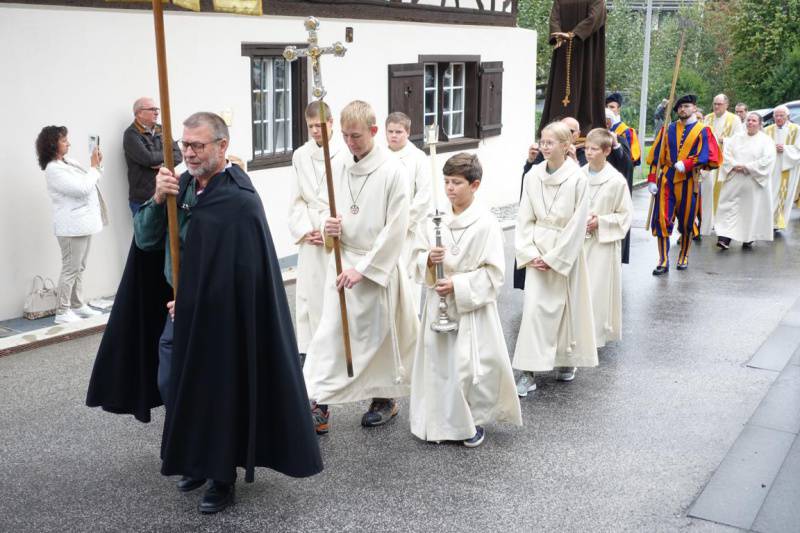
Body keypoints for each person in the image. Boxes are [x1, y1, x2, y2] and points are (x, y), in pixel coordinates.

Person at [87, 112, 323, 514]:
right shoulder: (178, 187)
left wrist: (195, 299)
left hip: (221, 317)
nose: (190, 153)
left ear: (222, 146)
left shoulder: (239, 198)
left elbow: (240, 270)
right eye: (185, 145)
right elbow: (146, 240)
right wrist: (158, 199)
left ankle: (221, 477)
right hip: (179, 312)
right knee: (173, 382)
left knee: (218, 391)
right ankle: (195, 458)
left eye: (198, 145)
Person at [303, 100, 419, 433]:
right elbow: (322, 205)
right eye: (345, 136)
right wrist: (327, 225)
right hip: (342, 263)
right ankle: (318, 403)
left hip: (374, 268)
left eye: (356, 136)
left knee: (377, 340)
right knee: (330, 334)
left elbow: (396, 227)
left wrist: (364, 268)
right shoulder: (338, 164)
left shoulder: (393, 171)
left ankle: (384, 399)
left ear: (373, 131)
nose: (349, 142)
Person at [409, 153, 521, 447]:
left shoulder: (486, 223)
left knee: (468, 367)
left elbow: (494, 274)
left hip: (470, 307)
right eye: (446, 182)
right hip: (437, 304)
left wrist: (457, 284)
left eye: (456, 182)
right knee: (438, 366)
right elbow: (415, 256)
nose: (449, 188)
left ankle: (470, 423)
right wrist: (428, 260)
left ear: (475, 185)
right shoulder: (434, 221)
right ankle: (436, 423)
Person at [513, 121, 597, 398]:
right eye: (542, 141)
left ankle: (565, 359)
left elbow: (578, 222)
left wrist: (556, 257)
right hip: (537, 250)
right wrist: (529, 253)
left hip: (565, 250)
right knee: (533, 311)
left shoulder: (578, 178)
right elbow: (524, 217)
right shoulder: (533, 176)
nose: (544, 147)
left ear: (565, 146)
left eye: (550, 142)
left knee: (566, 308)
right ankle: (528, 371)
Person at [288, 101, 344, 360]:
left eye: (319, 125)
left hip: (335, 229)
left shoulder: (345, 153)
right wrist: (305, 230)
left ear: (331, 123)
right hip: (310, 233)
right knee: (309, 296)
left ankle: (337, 348)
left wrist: (327, 228)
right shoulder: (300, 155)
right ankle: (309, 353)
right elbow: (296, 198)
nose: (314, 131)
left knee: (334, 291)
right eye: (310, 126)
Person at [36, 125, 106, 324]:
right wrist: (93, 168)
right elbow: (82, 188)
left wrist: (97, 165)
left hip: (84, 223)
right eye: (64, 140)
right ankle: (62, 311)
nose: (69, 143)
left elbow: (92, 181)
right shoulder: (53, 169)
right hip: (71, 226)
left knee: (79, 267)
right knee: (70, 268)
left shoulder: (69, 162)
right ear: (52, 144)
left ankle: (77, 304)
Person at [646, 94, 721, 275]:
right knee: (662, 219)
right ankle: (663, 260)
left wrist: (688, 163)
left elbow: (708, 155)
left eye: (686, 106)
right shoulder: (667, 129)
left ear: (694, 108)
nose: (682, 109)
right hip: (667, 180)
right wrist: (652, 179)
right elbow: (656, 157)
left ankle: (684, 255)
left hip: (689, 180)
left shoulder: (704, 131)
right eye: (680, 107)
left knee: (687, 222)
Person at [581, 129, 632, 348]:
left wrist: (600, 222)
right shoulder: (578, 176)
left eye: (594, 149)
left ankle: (592, 337)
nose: (588, 153)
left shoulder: (616, 181)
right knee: (577, 291)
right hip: (578, 242)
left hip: (602, 245)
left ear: (607, 151)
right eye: (586, 148)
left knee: (595, 291)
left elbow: (625, 216)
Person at [540, 0, 606, 137]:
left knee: (586, 83)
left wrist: (574, 34)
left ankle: (583, 129)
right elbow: (554, 17)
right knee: (561, 86)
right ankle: (555, 129)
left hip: (586, 48)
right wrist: (557, 34)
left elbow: (595, 17)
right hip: (563, 47)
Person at [386, 111, 432, 310]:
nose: (393, 136)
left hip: (408, 230)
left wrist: (403, 222)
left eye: (398, 132)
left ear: (408, 132)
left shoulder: (418, 158)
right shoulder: (379, 155)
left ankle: (410, 319)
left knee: (406, 277)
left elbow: (424, 195)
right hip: (384, 226)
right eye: (390, 131)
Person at [715, 112, 776, 249]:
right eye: (748, 120)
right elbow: (726, 154)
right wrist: (735, 165)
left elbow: (768, 160)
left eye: (754, 121)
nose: (750, 123)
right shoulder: (736, 138)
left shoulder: (766, 141)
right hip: (735, 177)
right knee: (728, 208)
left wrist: (747, 167)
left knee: (749, 210)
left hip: (752, 180)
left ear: (760, 124)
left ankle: (748, 238)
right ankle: (724, 238)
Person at [123, 97, 182, 215]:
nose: (156, 113)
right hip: (143, 199)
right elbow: (148, 159)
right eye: (152, 109)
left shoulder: (162, 129)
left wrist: (162, 164)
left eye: (157, 109)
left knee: (169, 227)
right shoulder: (131, 134)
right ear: (139, 113)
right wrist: (167, 155)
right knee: (145, 228)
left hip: (165, 193)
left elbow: (178, 155)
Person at [698, 94, 742, 237]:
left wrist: (725, 140)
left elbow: (739, 140)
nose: (716, 106)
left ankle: (721, 224)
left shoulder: (734, 119)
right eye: (715, 104)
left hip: (725, 162)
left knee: (723, 194)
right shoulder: (708, 118)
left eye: (719, 104)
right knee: (707, 192)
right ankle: (706, 222)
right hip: (710, 162)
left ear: (726, 105)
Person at [764, 105, 800, 231]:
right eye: (776, 116)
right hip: (771, 168)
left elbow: (798, 149)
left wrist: (785, 149)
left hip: (788, 167)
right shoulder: (767, 130)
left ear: (787, 116)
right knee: (770, 193)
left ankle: (777, 222)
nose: (778, 118)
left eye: (781, 116)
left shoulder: (796, 129)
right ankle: (767, 221)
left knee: (784, 195)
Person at [606, 92, 641, 166]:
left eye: (612, 107)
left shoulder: (627, 132)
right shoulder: (600, 129)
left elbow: (630, 160)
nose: (608, 109)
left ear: (619, 110)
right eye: (607, 107)